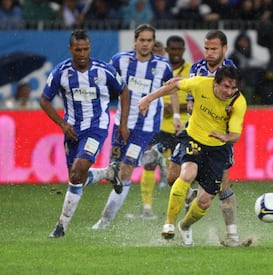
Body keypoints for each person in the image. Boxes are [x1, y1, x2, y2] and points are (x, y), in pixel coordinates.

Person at [138, 65, 247, 246]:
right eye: (226, 86)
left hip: (218, 149)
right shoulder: (201, 84)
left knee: (204, 202)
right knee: (186, 174)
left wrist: (225, 137)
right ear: (215, 82)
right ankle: (169, 224)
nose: (229, 92)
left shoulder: (238, 102)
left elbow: (236, 135)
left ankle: (185, 225)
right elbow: (175, 86)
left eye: (233, 88)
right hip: (193, 138)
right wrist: (148, 99)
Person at [164, 30, 251, 247]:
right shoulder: (197, 68)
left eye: (214, 49)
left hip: (217, 139)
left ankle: (232, 236)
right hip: (193, 132)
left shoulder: (230, 72)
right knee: (171, 177)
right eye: (206, 49)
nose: (209, 53)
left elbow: (232, 103)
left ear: (224, 48)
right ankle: (189, 195)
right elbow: (190, 98)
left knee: (222, 186)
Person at [85, 24, 177, 229]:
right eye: (142, 40)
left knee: (125, 171)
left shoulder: (162, 65)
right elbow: (107, 83)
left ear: (154, 42)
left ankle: (104, 222)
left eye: (149, 40)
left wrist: (177, 114)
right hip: (122, 123)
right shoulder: (120, 60)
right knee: (115, 172)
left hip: (146, 127)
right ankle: (151, 157)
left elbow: (172, 87)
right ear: (135, 40)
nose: (145, 44)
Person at [41, 29, 130, 238]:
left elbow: (123, 90)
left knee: (78, 169)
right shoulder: (60, 72)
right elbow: (44, 100)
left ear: (90, 48)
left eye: (86, 49)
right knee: (75, 178)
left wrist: (122, 124)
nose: (82, 54)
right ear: (70, 49)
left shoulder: (103, 70)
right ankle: (107, 173)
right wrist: (62, 124)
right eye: (78, 49)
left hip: (96, 127)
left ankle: (61, 227)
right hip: (72, 130)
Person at [138, 34, 190, 219]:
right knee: (149, 163)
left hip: (183, 128)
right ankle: (146, 209)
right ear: (167, 50)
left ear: (183, 50)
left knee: (182, 170)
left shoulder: (191, 71)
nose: (176, 53)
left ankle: (184, 205)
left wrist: (176, 109)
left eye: (179, 49)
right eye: (172, 49)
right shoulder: (161, 69)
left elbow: (198, 98)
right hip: (159, 126)